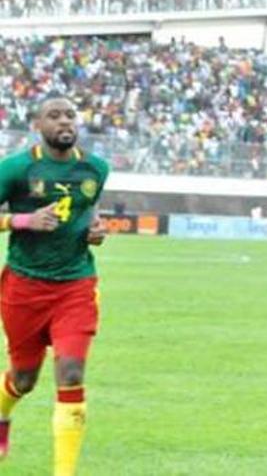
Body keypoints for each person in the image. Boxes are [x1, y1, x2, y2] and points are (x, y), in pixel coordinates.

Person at [0, 95, 109, 476]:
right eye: (54, 115)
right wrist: (22, 222)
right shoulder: (16, 168)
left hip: (76, 285)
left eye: (69, 115)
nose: (64, 121)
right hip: (24, 287)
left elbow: (89, 212)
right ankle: (2, 414)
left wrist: (97, 230)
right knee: (24, 377)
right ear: (38, 125)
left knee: (72, 373)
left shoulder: (96, 169)